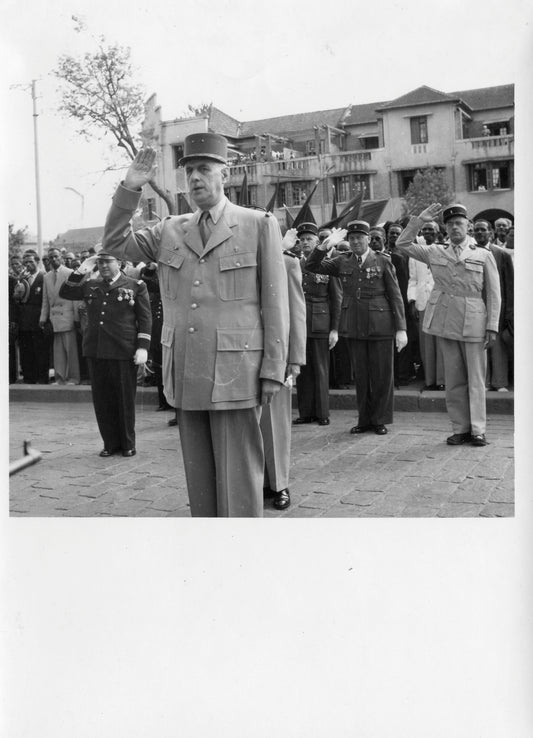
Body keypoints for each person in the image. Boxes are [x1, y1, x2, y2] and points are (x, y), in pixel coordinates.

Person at [102, 134, 289, 517]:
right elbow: (115, 244)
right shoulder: (169, 228)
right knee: (199, 482)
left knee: (239, 478)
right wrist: (131, 186)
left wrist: (274, 369)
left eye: (204, 169)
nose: (196, 178)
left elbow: (275, 304)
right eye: (189, 171)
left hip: (237, 371)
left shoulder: (257, 224)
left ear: (226, 173)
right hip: (186, 367)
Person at [395, 203, 501, 446]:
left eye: (459, 223)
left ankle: (478, 430)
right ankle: (460, 428)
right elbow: (402, 245)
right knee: (453, 380)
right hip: (445, 320)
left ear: (468, 226)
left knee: (476, 379)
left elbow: (494, 294)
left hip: (474, 320)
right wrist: (419, 221)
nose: (454, 227)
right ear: (445, 227)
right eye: (450, 224)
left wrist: (492, 326)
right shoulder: (435, 251)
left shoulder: (483, 254)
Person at [306, 220, 407, 435]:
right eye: (351, 239)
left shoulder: (382, 260)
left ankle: (379, 419)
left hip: (380, 323)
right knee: (361, 375)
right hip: (354, 323)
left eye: (360, 238)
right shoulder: (342, 261)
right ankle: (364, 418)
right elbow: (312, 266)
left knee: (381, 374)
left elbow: (396, 295)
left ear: (368, 239)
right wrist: (324, 246)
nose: (356, 242)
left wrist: (401, 329)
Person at [59, 251, 152, 457]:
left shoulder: (136, 286)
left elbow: (145, 319)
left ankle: (128, 443)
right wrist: (84, 266)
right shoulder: (91, 285)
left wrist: (143, 347)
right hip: (96, 349)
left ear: (119, 262)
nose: (103, 266)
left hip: (122, 349)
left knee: (124, 399)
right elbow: (65, 292)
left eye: (107, 262)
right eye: (99, 262)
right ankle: (110, 443)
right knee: (102, 400)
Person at [261, 239, 306, 511]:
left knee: (275, 425)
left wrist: (295, 359)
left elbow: (297, 312)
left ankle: (279, 484)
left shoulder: (287, 262)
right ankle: (257, 482)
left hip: (276, 355)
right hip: (238, 356)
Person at [293, 222, 341, 426]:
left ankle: (322, 413)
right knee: (302, 369)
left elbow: (336, 298)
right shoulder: (294, 262)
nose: (305, 242)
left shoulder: (327, 263)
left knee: (321, 369)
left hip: (320, 321)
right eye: (302, 239)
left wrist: (335, 328)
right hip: (299, 321)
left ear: (317, 242)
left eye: (309, 239)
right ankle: (306, 412)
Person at [473, 219, 514, 392]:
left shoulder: (501, 254)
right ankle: (483, 381)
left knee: (497, 346)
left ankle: (499, 382)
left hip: (498, 304)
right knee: (478, 345)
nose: (480, 233)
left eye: (483, 230)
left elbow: (509, 286)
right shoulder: (469, 252)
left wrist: (509, 313)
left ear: (490, 232)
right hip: (476, 305)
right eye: (476, 230)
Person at [407, 221, 445, 391]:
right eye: (425, 230)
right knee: (426, 344)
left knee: (442, 344)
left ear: (438, 233)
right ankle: (430, 380)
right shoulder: (416, 252)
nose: (428, 232)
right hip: (423, 302)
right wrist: (412, 301)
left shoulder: (445, 250)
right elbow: (413, 279)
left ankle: (442, 379)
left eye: (431, 229)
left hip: (442, 303)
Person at [39, 247, 81, 385]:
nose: (54, 259)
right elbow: (46, 300)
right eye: (51, 257)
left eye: (56, 256)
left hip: (67, 316)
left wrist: (76, 318)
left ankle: (73, 377)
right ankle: (60, 378)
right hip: (54, 318)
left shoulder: (70, 273)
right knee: (58, 351)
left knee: (71, 350)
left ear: (61, 257)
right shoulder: (46, 276)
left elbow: (75, 298)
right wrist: (43, 318)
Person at [15, 252, 50, 384]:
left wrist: (44, 319)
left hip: (38, 321)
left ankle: (42, 379)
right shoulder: (22, 279)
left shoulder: (44, 277)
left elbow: (47, 300)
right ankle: (29, 378)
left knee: (40, 351)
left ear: (37, 261)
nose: (27, 265)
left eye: (30, 262)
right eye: (25, 263)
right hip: (24, 322)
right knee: (26, 352)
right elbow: (18, 299)